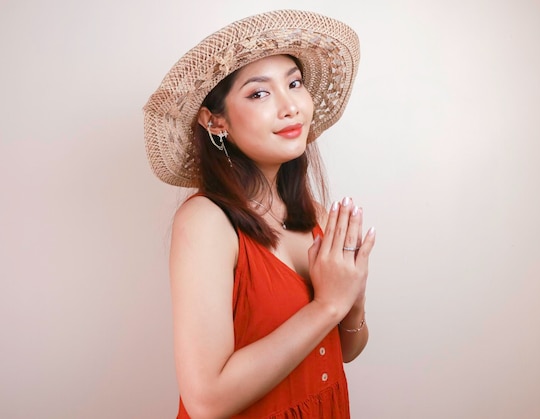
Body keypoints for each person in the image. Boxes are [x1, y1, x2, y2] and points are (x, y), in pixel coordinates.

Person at [144, 9, 376, 418]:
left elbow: (349, 349)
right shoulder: (205, 222)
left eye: (294, 83)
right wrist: (326, 305)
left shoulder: (317, 215)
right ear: (215, 121)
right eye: (259, 93)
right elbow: (205, 401)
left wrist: (351, 298)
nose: (290, 107)